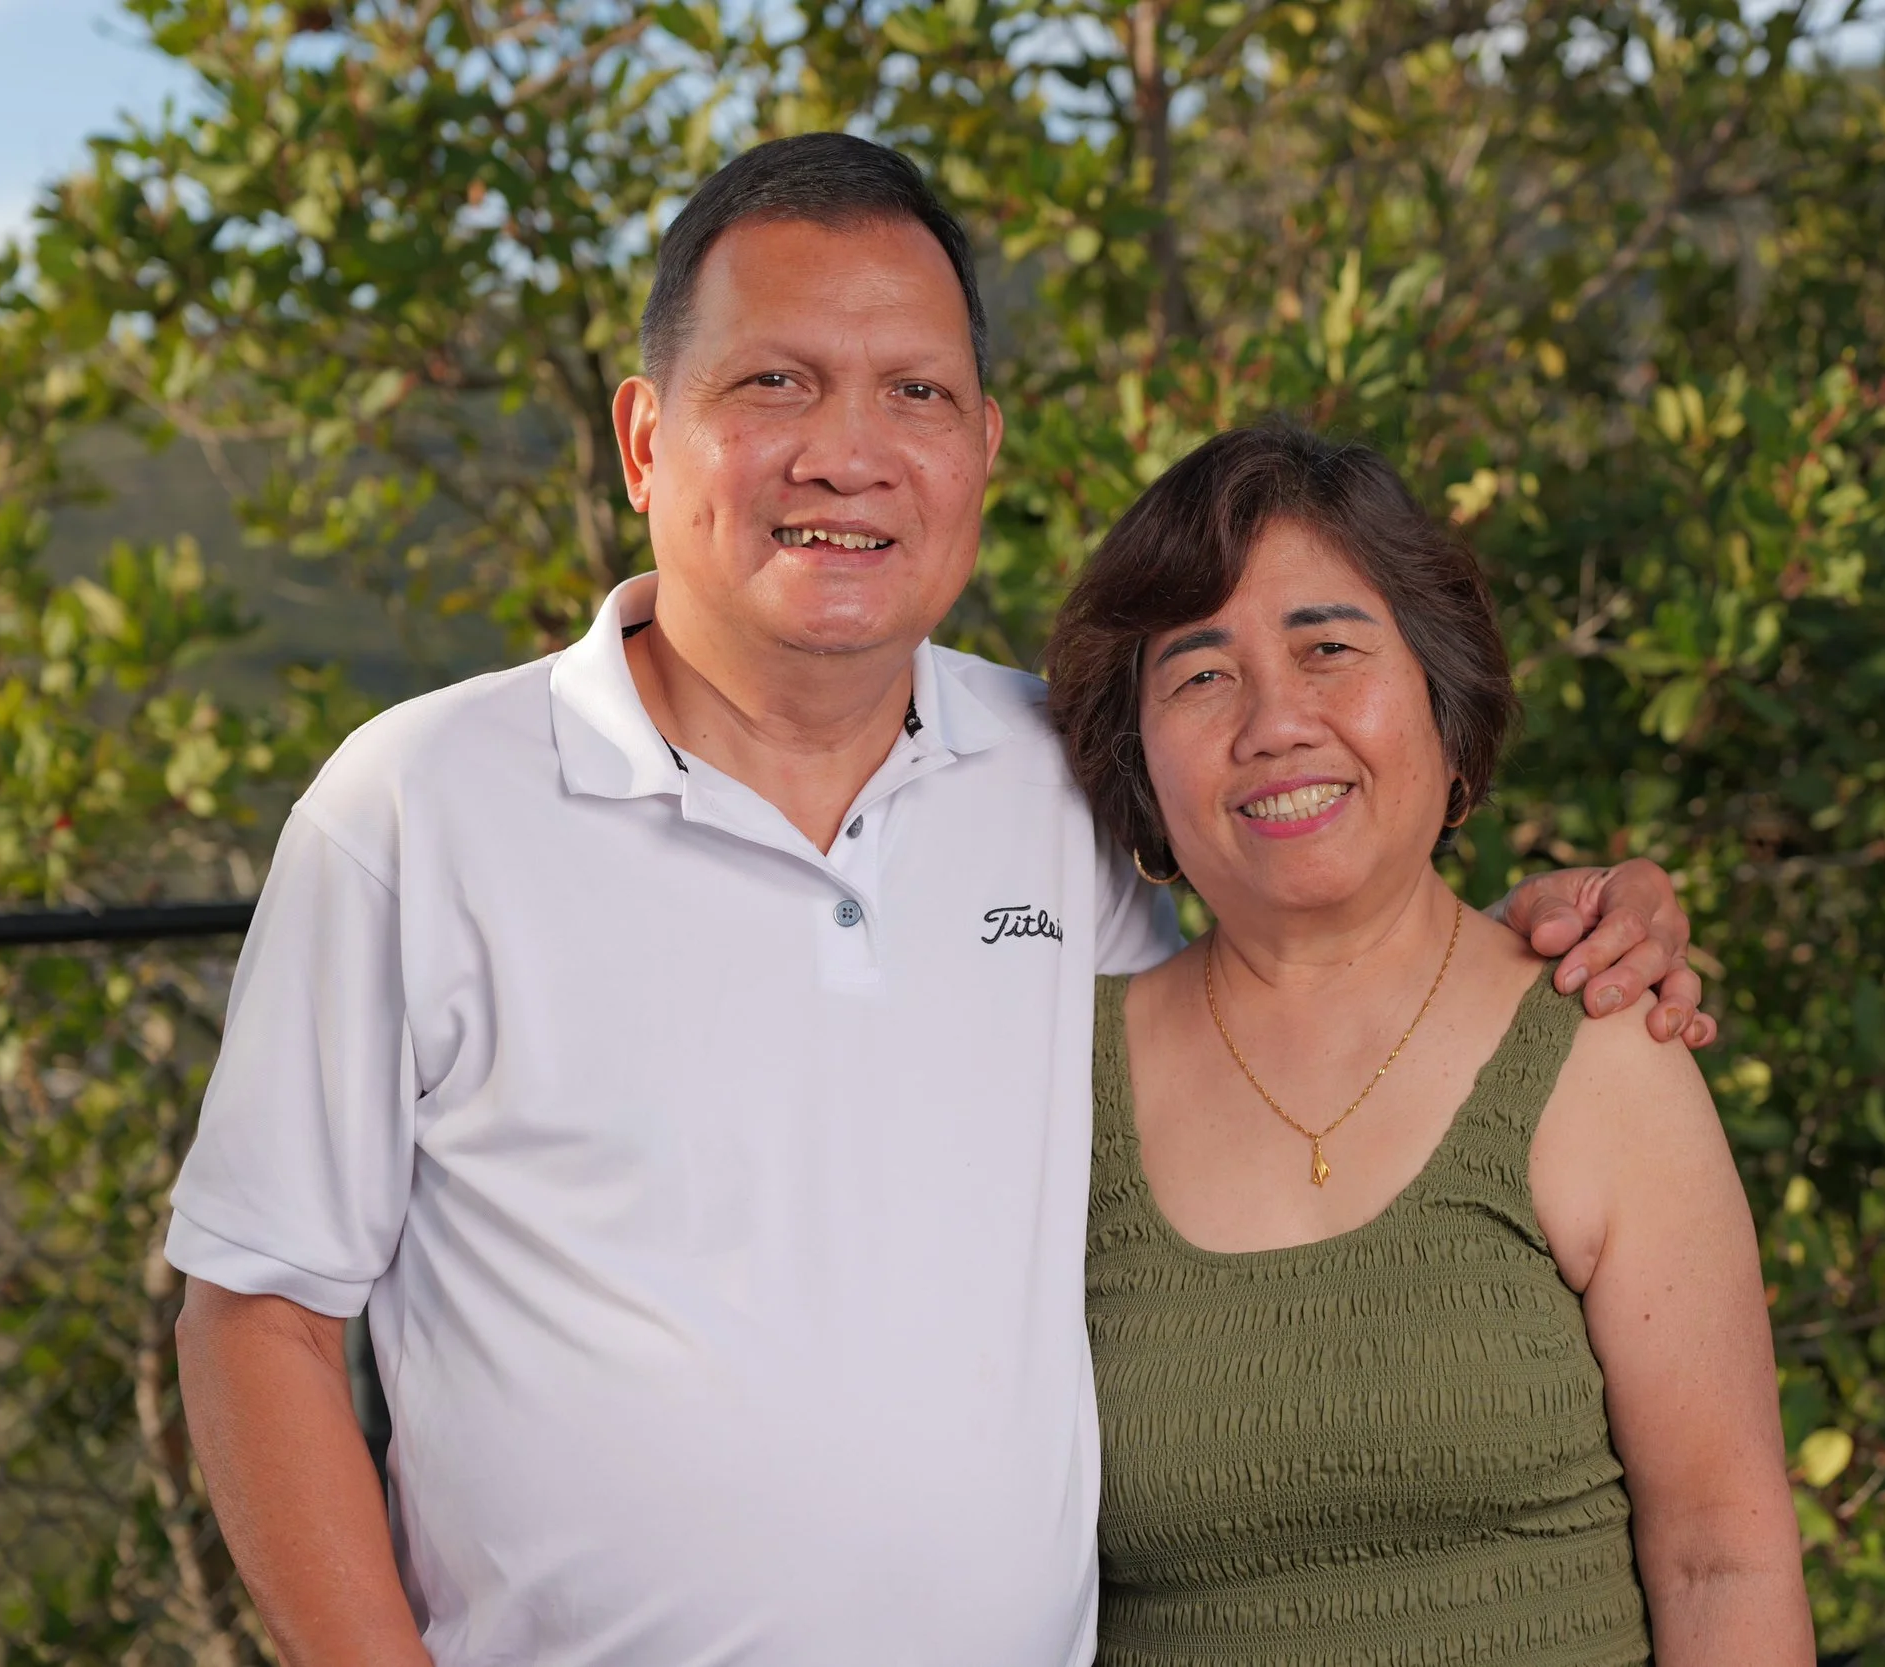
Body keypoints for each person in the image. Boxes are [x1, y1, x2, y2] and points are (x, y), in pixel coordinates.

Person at [166, 135, 1713, 1667]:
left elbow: (1305, 959)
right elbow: (259, 1318)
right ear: (645, 440)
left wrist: (1565, 928)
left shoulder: (1066, 774)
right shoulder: (414, 808)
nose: (849, 450)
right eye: (775, 383)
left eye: (912, 391)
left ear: (982, 445)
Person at [1050, 424, 1809, 1665]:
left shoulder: (1600, 1051)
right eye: (1200, 675)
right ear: (1136, 762)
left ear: (1443, 706)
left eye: (1329, 649)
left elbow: (1722, 1559)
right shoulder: (1054, 1085)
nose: (1274, 723)